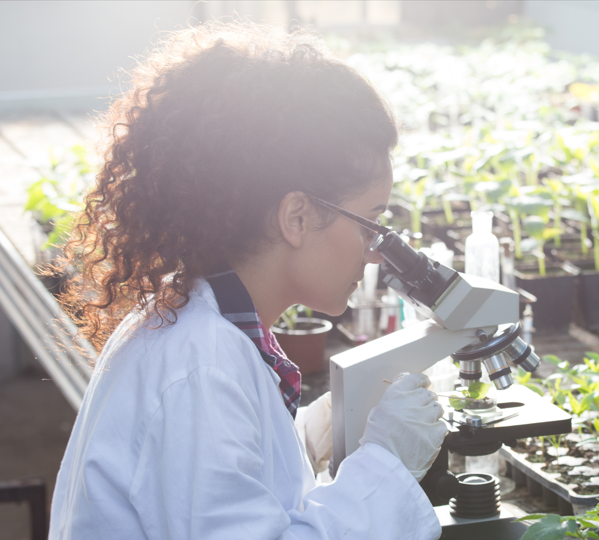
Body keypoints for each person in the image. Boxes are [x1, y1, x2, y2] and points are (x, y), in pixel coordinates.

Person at [49, 21, 448, 540]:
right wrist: (387, 466)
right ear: (297, 217)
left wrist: (308, 434)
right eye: (371, 222)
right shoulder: (201, 367)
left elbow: (220, 490)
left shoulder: (197, 322)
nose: (376, 253)